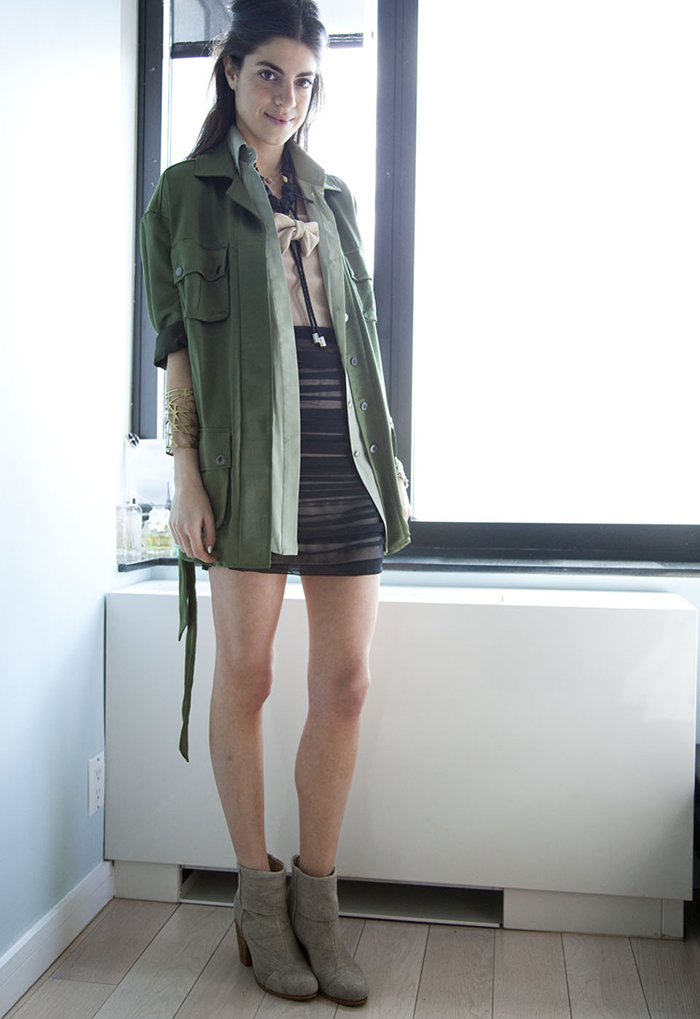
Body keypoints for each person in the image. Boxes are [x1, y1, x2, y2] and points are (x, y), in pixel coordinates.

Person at [140, 0, 410, 1006]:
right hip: (247, 466)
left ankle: (317, 901)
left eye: (303, 81)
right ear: (229, 69)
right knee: (247, 678)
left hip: (345, 458)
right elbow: (177, 351)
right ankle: (258, 901)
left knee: (346, 685)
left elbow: (360, 339)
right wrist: (186, 476)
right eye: (268, 74)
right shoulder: (184, 194)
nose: (286, 98)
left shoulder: (332, 195)